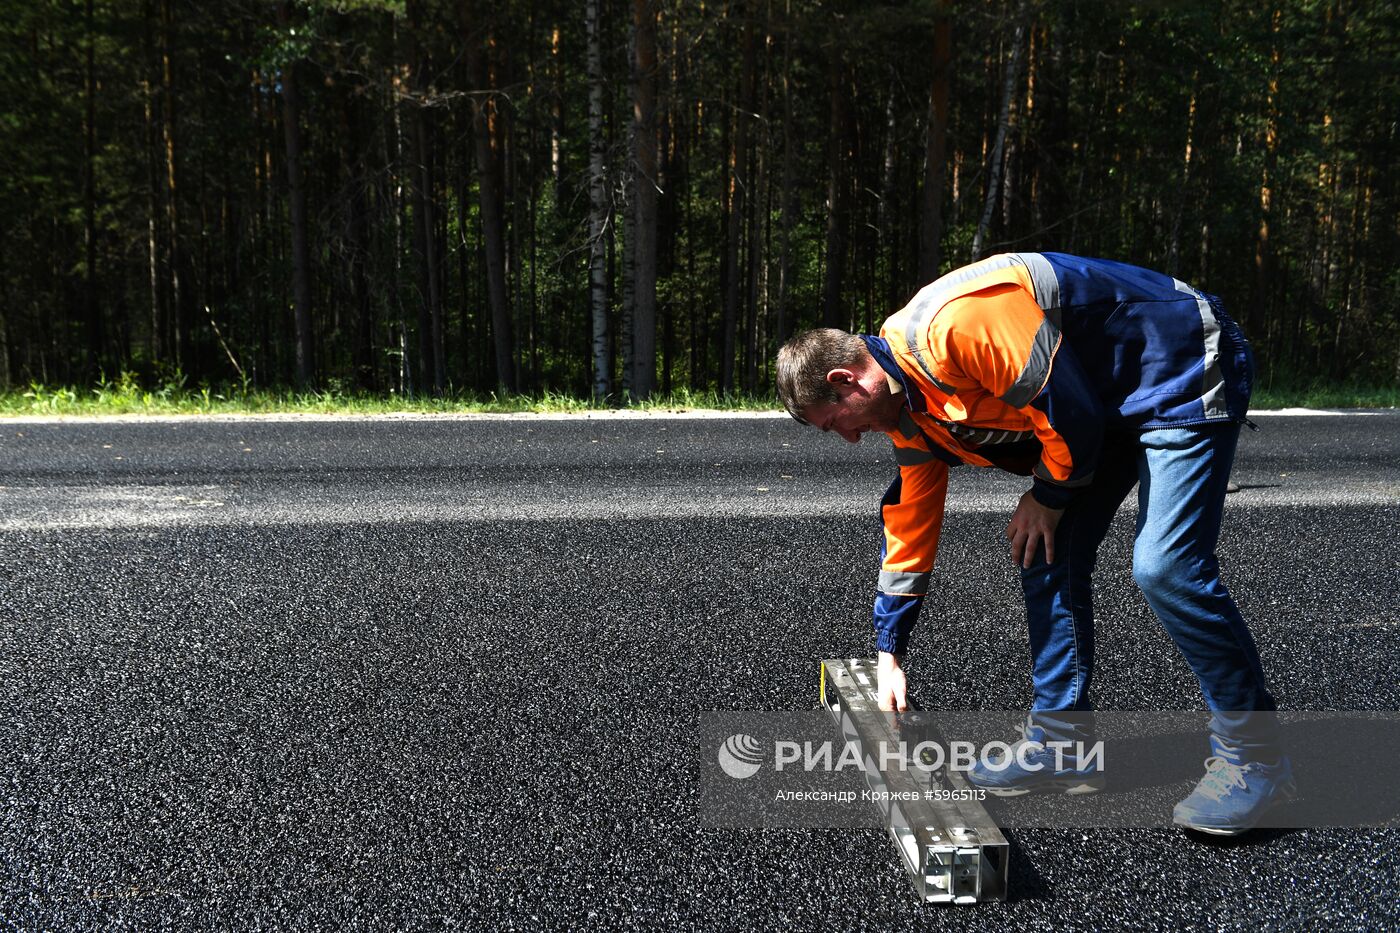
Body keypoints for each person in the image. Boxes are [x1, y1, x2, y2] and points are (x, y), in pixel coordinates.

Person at [775, 251, 1293, 835]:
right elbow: (909, 525)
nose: (849, 439)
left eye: (835, 424)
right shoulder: (911, 412)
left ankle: (1257, 761)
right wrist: (889, 649)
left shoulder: (954, 325)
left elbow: (1065, 406)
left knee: (1166, 568)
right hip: (1103, 405)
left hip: (1176, 366)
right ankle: (1061, 746)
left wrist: (1048, 494)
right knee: (1044, 548)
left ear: (845, 381)